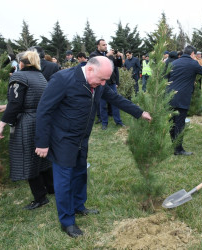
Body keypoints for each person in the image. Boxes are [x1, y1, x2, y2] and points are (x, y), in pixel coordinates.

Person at [34, 56, 152, 238]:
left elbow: (116, 98)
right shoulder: (63, 80)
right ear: (89, 69)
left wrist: (139, 112)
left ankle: (79, 206)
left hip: (82, 138)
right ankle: (67, 221)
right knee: (64, 180)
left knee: (81, 172)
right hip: (63, 139)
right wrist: (41, 142)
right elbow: (44, 110)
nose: (104, 83)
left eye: (106, 80)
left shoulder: (98, 85)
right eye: (102, 79)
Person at [0, 50, 54, 210]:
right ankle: (51, 188)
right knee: (43, 157)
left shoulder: (18, 76)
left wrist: (1, 126)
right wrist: (5, 107)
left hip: (26, 123)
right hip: (41, 120)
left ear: (20, 62)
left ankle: (40, 198)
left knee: (28, 159)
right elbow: (29, 101)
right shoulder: (40, 77)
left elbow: (16, 104)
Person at [90, 39, 124, 129]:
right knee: (102, 103)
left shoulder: (110, 55)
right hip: (101, 83)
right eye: (103, 45)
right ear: (98, 46)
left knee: (115, 102)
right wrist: (107, 56)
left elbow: (118, 65)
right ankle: (104, 123)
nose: (106, 46)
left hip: (111, 82)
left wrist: (119, 57)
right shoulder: (94, 55)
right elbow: (96, 64)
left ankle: (118, 121)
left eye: (106, 44)